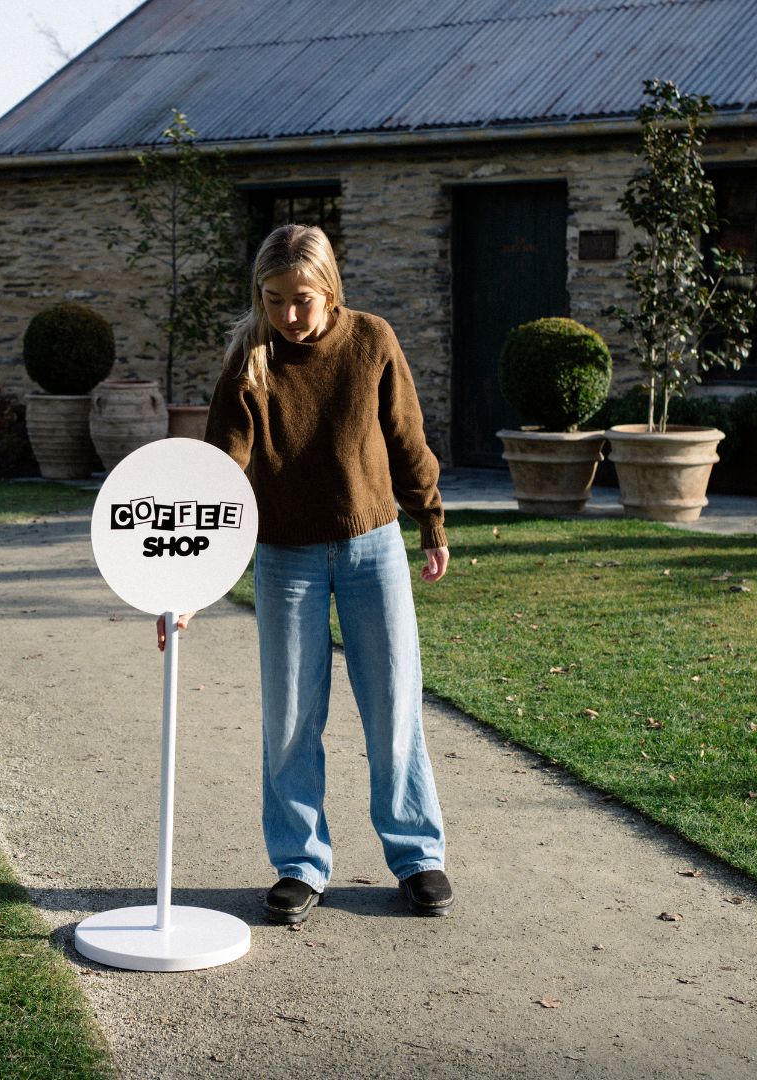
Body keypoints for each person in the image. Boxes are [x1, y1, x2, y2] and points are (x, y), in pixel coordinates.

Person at [157, 224, 452, 924]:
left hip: (371, 549)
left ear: (331, 291)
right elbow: (220, 471)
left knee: (393, 706)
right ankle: (300, 863)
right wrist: (192, 582)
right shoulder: (249, 362)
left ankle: (418, 855)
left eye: (303, 300)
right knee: (290, 716)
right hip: (284, 558)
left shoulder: (372, 340)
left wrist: (431, 520)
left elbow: (407, 438)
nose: (289, 315)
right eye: (274, 299)